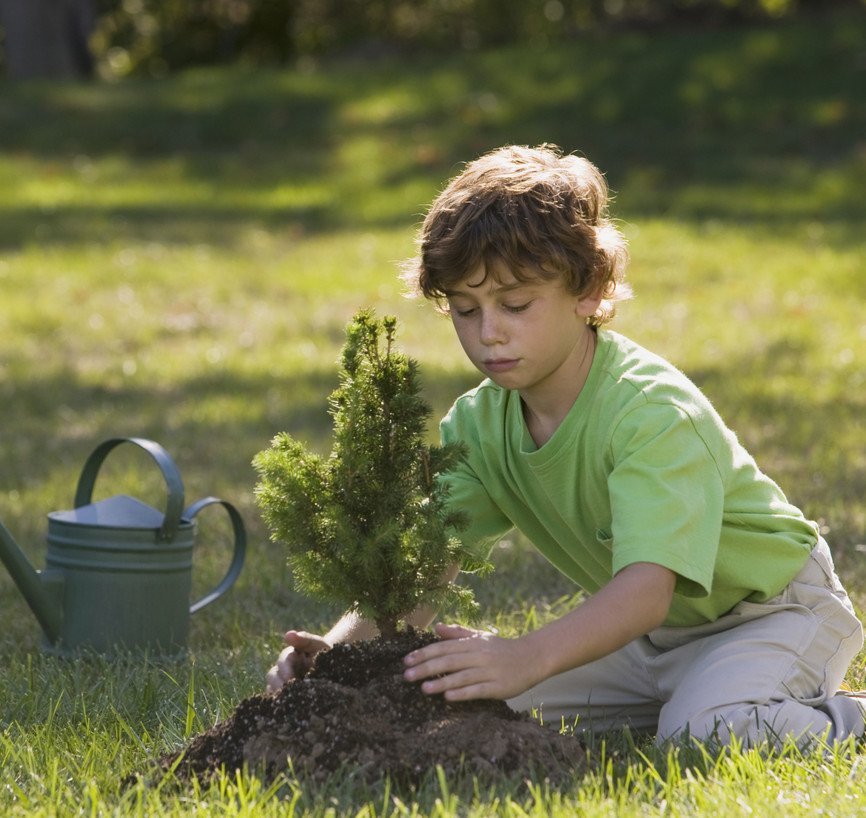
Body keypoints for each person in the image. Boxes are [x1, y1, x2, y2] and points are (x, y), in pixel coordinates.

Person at [266, 143, 866, 748]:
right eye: (465, 310)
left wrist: (528, 655)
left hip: (775, 614)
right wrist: (336, 658)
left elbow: (646, 591)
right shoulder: (478, 425)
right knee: (464, 702)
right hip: (650, 642)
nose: (488, 333)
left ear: (589, 289)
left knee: (703, 734)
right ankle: (697, 693)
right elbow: (425, 569)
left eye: (515, 304)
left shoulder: (649, 413)